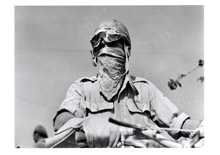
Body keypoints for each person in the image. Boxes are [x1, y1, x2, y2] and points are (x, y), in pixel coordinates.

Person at [53, 19, 202, 148]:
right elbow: (60, 122)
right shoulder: (82, 88)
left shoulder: (145, 90)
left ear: (127, 50)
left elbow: (179, 123)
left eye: (112, 42)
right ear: (93, 55)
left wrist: (205, 126)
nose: (104, 48)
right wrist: (87, 123)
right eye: (98, 44)